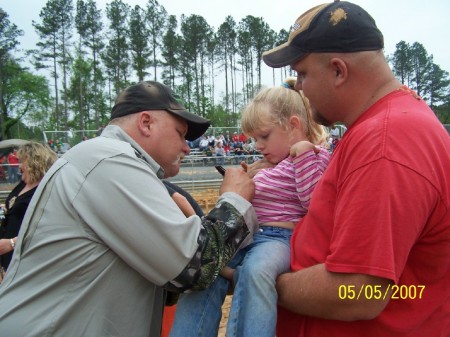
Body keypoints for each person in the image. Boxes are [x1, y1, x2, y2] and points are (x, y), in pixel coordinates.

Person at [0, 81, 259, 337]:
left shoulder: (101, 159)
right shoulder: (110, 159)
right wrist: (234, 199)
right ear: (146, 123)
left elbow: (166, 280)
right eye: (180, 133)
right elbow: (195, 267)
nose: (186, 147)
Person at [261, 1, 450, 336]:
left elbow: (361, 292)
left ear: (338, 70)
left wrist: (262, 281)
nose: (299, 87)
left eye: (302, 73)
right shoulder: (388, 125)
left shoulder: (386, 141)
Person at [170, 81, 330, 337]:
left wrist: (302, 157)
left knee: (257, 272)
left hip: (278, 238)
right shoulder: (271, 163)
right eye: (255, 139)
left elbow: (314, 202)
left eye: (264, 136)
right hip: (247, 235)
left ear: (294, 126)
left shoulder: (313, 155)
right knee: (204, 268)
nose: (258, 145)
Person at [0, 142, 57, 277]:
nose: (19, 166)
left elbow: (48, 229)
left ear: (35, 163)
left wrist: (12, 243)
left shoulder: (45, 191)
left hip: (25, 259)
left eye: (23, 162)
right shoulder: (23, 183)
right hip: (7, 257)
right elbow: (13, 207)